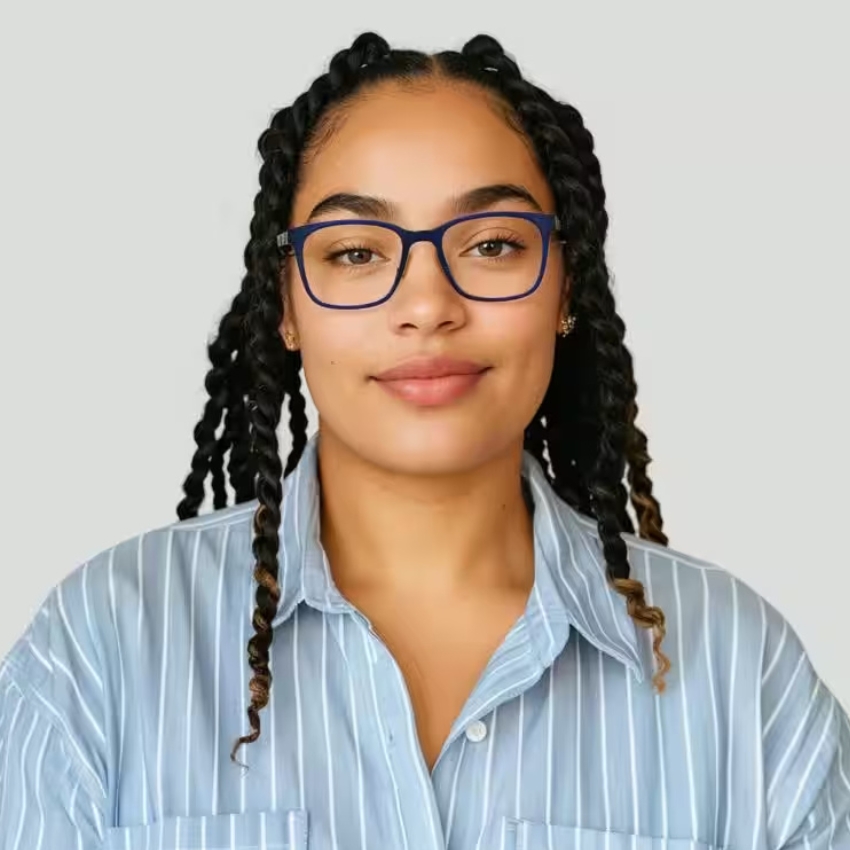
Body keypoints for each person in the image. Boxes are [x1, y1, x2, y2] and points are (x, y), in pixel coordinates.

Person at [0, 30, 847, 850]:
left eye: (491, 244)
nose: (427, 304)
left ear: (566, 289)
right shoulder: (99, 649)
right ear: (287, 307)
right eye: (358, 252)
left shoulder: (745, 674)